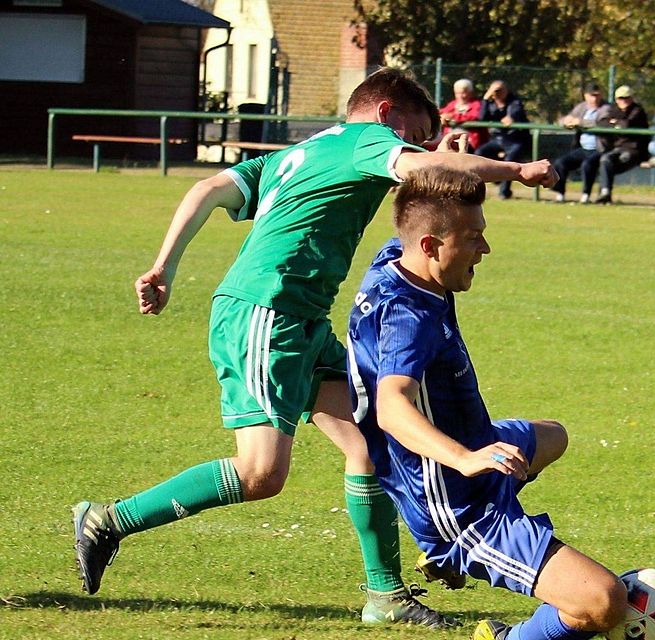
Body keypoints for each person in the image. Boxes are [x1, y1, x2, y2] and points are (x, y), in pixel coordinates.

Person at [70, 67, 558, 628]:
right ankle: (107, 520)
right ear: (384, 113)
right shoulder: (366, 140)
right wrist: (516, 169)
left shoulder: (299, 154)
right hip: (265, 314)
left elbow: (206, 188)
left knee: (368, 446)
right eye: (415, 132)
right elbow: (420, 166)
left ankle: (386, 597)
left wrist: (164, 266)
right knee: (261, 474)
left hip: (301, 320)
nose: (416, 145)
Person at [346, 165, 627, 640]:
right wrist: (466, 458)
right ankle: (495, 620)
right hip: (455, 502)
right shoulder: (408, 319)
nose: (485, 249)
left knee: (552, 435)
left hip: (477, 443)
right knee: (604, 601)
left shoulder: (398, 257)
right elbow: (391, 408)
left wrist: (505, 170)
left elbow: (428, 194)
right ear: (432, 247)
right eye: (473, 237)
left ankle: (457, 545)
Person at [550, 82, 613, 204]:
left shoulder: (606, 108)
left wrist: (580, 122)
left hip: (599, 148)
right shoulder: (582, 107)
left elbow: (601, 123)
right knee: (561, 163)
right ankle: (560, 194)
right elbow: (565, 119)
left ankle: (585, 195)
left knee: (587, 165)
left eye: (597, 95)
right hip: (583, 148)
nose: (595, 98)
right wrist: (566, 121)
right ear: (585, 95)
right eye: (592, 95)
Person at [475, 80, 533, 200]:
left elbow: (516, 111)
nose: (498, 93)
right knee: (479, 153)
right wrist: (486, 98)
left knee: (510, 160)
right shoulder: (490, 103)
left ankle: (504, 192)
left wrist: (511, 118)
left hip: (514, 140)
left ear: (506, 90)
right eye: (495, 91)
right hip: (497, 139)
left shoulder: (514, 101)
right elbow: (482, 118)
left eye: (500, 90)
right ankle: (478, 189)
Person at [596, 85, 651, 204]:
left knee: (614, 161)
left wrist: (615, 122)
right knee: (604, 160)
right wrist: (616, 123)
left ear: (631, 98)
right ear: (616, 99)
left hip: (634, 150)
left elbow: (627, 124)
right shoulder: (613, 109)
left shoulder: (638, 110)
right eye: (620, 98)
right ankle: (604, 193)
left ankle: (604, 193)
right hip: (618, 148)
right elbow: (601, 123)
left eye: (626, 98)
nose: (623, 101)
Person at [438, 78, 488, 152]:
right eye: (457, 93)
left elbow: (474, 116)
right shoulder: (453, 104)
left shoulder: (476, 104)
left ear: (470, 93)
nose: (460, 96)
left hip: (469, 141)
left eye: (463, 93)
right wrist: (441, 115)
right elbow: (443, 112)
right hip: (450, 139)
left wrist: (453, 116)